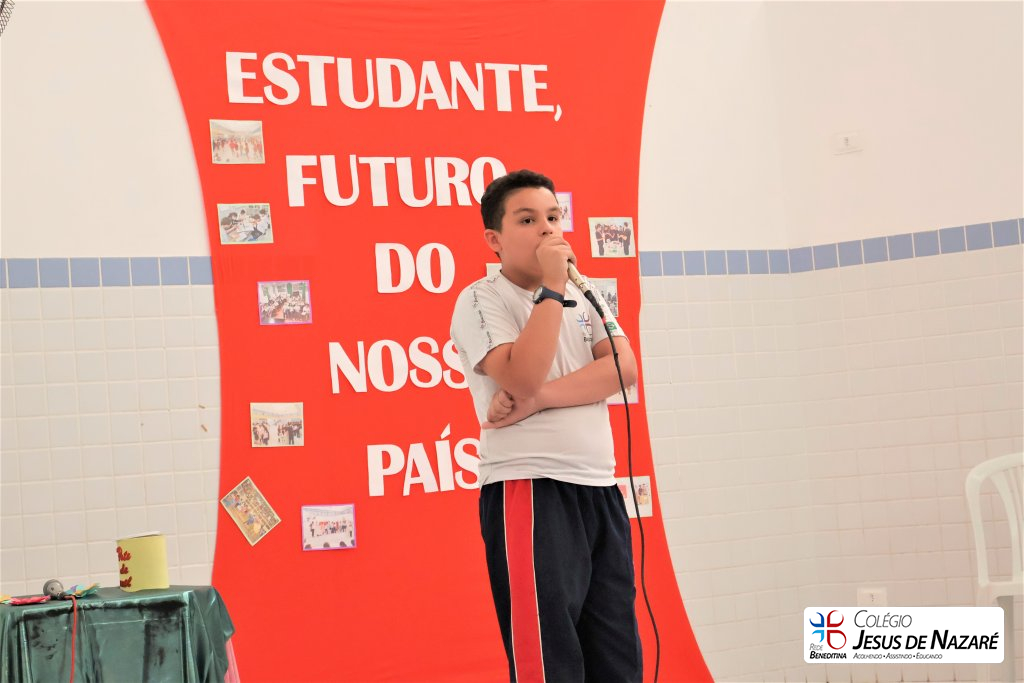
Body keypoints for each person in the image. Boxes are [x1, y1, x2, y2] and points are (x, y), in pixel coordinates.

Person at [450, 169, 642, 682]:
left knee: (617, 654)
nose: (547, 229)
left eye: (554, 217)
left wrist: (538, 402)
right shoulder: (481, 298)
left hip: (599, 488)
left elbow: (623, 368)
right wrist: (552, 287)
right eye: (528, 220)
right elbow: (522, 374)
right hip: (532, 487)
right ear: (494, 239)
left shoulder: (586, 292)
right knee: (549, 656)